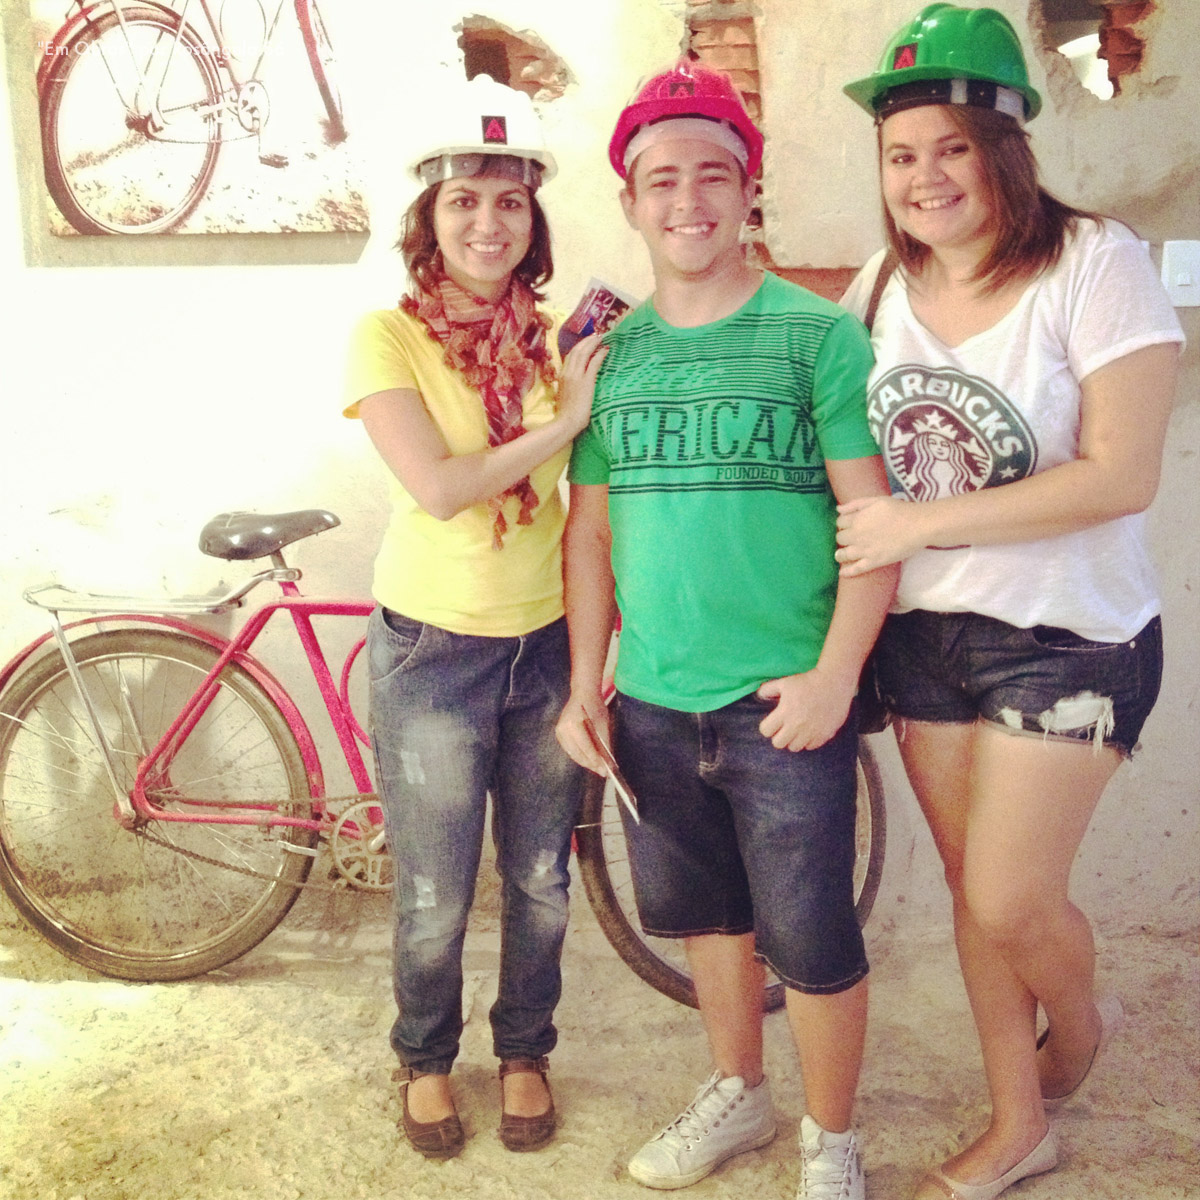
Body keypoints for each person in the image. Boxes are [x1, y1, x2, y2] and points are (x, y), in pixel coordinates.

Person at [838, 6, 1184, 1199]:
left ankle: (1077, 1030)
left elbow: (1121, 474)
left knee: (1009, 894)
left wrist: (917, 524)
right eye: (901, 154)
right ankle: (1018, 1123)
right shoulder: (880, 285)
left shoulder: (1095, 262)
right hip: (925, 637)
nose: (924, 176)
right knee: (973, 901)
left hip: (1068, 637)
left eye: (951, 147)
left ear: (1005, 148)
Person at [556, 60, 898, 1200]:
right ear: (629, 200)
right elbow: (589, 534)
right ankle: (739, 1092)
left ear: (750, 190)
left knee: (814, 941)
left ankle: (832, 1141)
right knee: (708, 920)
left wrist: (835, 677)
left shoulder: (818, 338)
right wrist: (587, 684)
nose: (688, 200)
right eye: (661, 180)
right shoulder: (610, 357)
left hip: (784, 704)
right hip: (655, 700)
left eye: (713, 175)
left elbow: (873, 527)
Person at [343, 75, 606, 1159]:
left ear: (533, 217)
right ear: (429, 216)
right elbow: (443, 486)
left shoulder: (558, 339)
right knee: (437, 893)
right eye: (464, 201)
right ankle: (424, 1059)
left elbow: (595, 500)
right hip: (434, 651)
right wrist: (569, 418)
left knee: (541, 881)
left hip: (545, 646)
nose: (488, 223)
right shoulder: (386, 338)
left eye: (509, 201)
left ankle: (526, 1049)